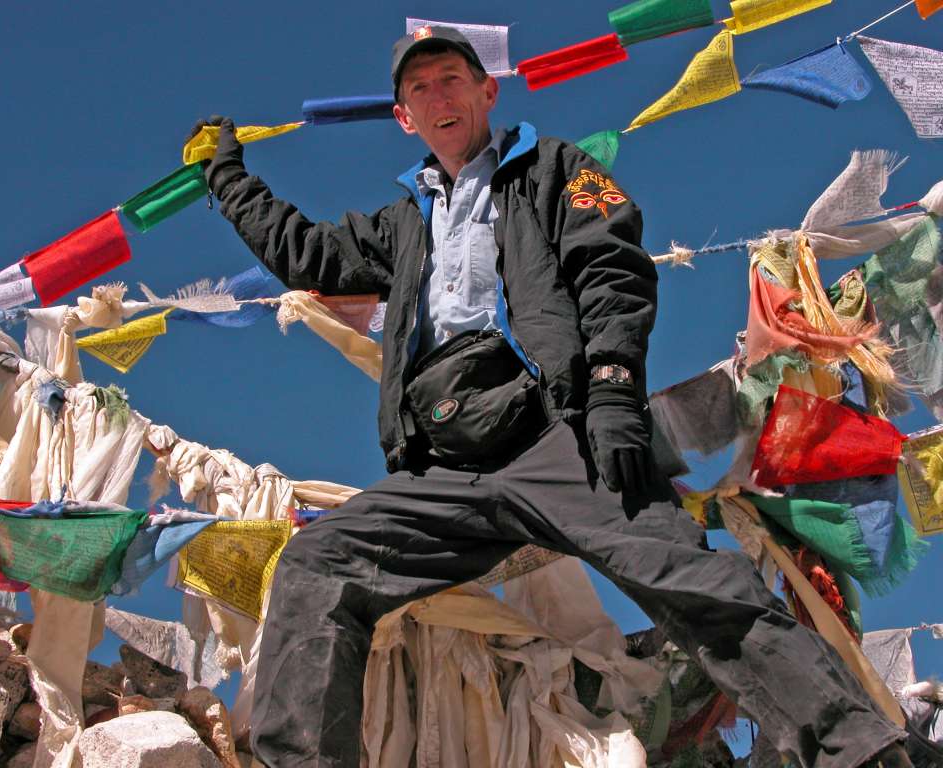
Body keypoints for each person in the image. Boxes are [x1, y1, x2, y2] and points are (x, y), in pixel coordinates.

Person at [191, 26, 911, 768]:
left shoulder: (554, 168)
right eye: (419, 90)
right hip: (445, 469)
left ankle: (857, 750)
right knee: (319, 561)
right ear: (404, 117)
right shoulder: (402, 223)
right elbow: (303, 252)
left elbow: (613, 270)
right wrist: (226, 176)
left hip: (553, 434)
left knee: (694, 580)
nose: (437, 96)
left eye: (450, 79)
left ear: (486, 91)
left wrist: (610, 392)